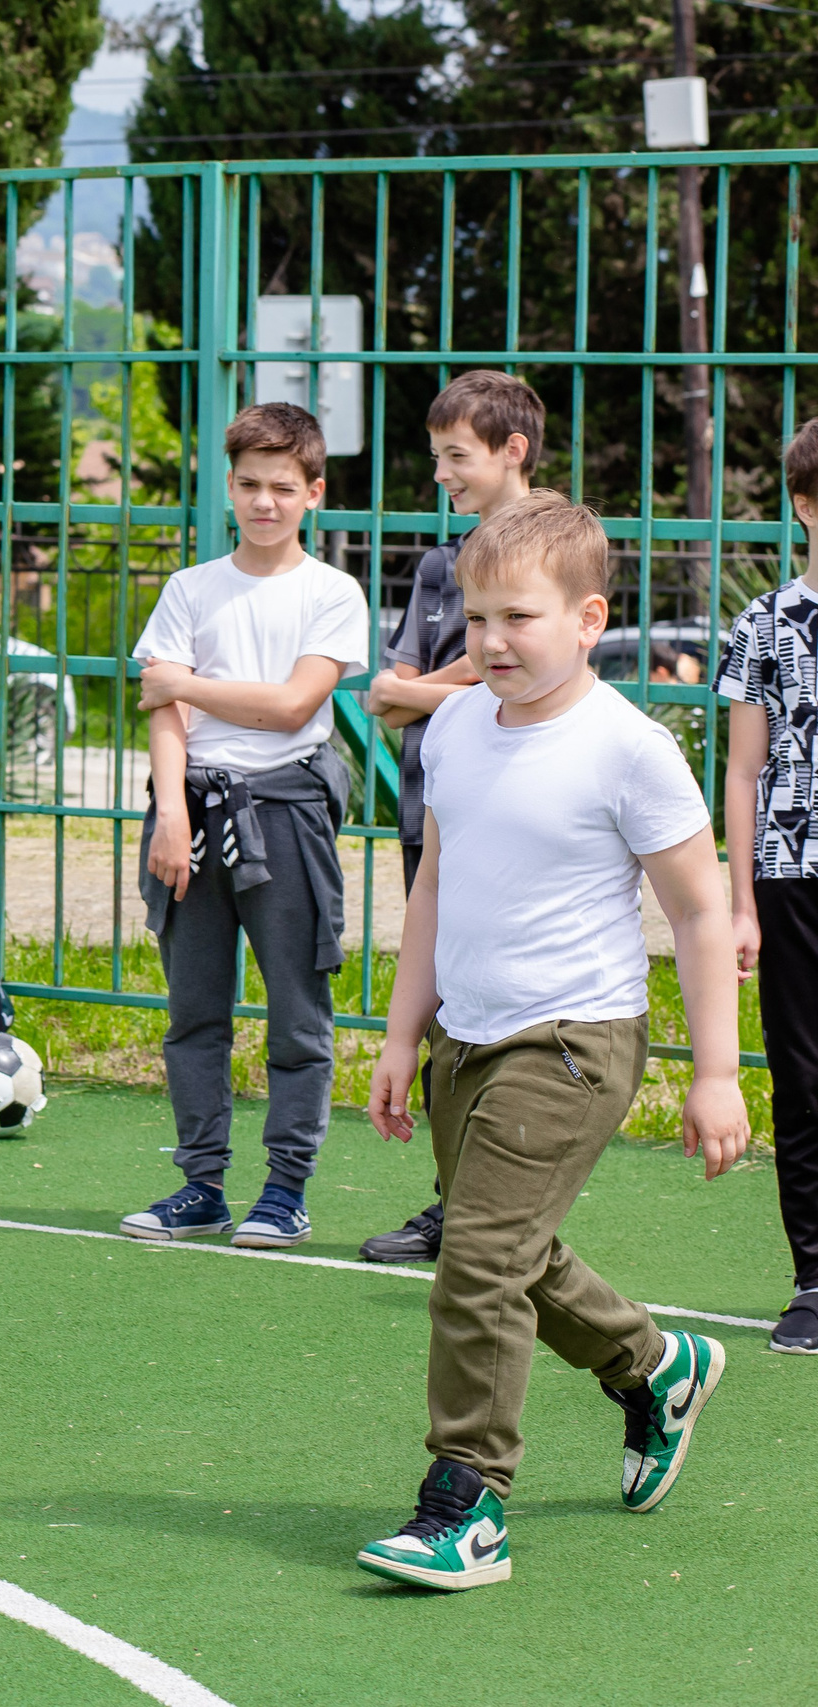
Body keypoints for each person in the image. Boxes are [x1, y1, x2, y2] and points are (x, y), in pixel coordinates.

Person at [359, 491, 747, 1592]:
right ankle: (652, 1365)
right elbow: (434, 881)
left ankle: (465, 1505)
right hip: (466, 1041)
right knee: (509, 1248)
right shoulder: (451, 728)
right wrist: (401, 1037)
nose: (490, 642)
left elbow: (700, 911)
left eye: (518, 618)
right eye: (476, 619)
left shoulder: (627, 748)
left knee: (475, 1263)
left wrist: (714, 1074)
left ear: (587, 619)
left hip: (573, 1042)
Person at [121, 402, 369, 1250]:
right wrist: (171, 814)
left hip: (288, 812)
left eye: (284, 487)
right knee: (194, 1010)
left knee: (298, 1010)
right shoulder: (190, 588)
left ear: (314, 493)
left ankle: (286, 1189)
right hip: (187, 810)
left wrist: (183, 685)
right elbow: (160, 716)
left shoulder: (333, 592)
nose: (265, 501)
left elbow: (295, 704)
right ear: (229, 486)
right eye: (251, 484)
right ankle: (202, 1184)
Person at [358, 370, 543, 1265]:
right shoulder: (439, 564)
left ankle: (499, 1206)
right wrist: (424, 691)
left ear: (513, 452)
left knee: (512, 1016)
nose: (442, 474)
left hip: (520, 823)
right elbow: (385, 701)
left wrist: (420, 689)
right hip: (432, 815)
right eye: (436, 457)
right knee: (442, 1006)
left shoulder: (556, 550)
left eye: (456, 456)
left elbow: (518, 670)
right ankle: (452, 1201)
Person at [717, 416, 818, 1356]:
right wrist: (741, 901)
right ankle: (814, 1276)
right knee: (803, 1074)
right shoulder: (765, 622)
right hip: (794, 876)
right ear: (802, 504)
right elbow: (744, 771)